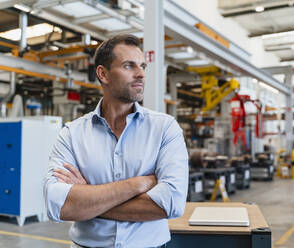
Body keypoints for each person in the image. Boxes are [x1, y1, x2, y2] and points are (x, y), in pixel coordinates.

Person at [44, 34, 189, 248]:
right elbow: (58, 205)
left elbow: (171, 204)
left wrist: (89, 198)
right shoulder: (72, 134)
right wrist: (139, 183)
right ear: (103, 74)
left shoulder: (165, 128)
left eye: (142, 66)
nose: (140, 74)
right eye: (129, 66)